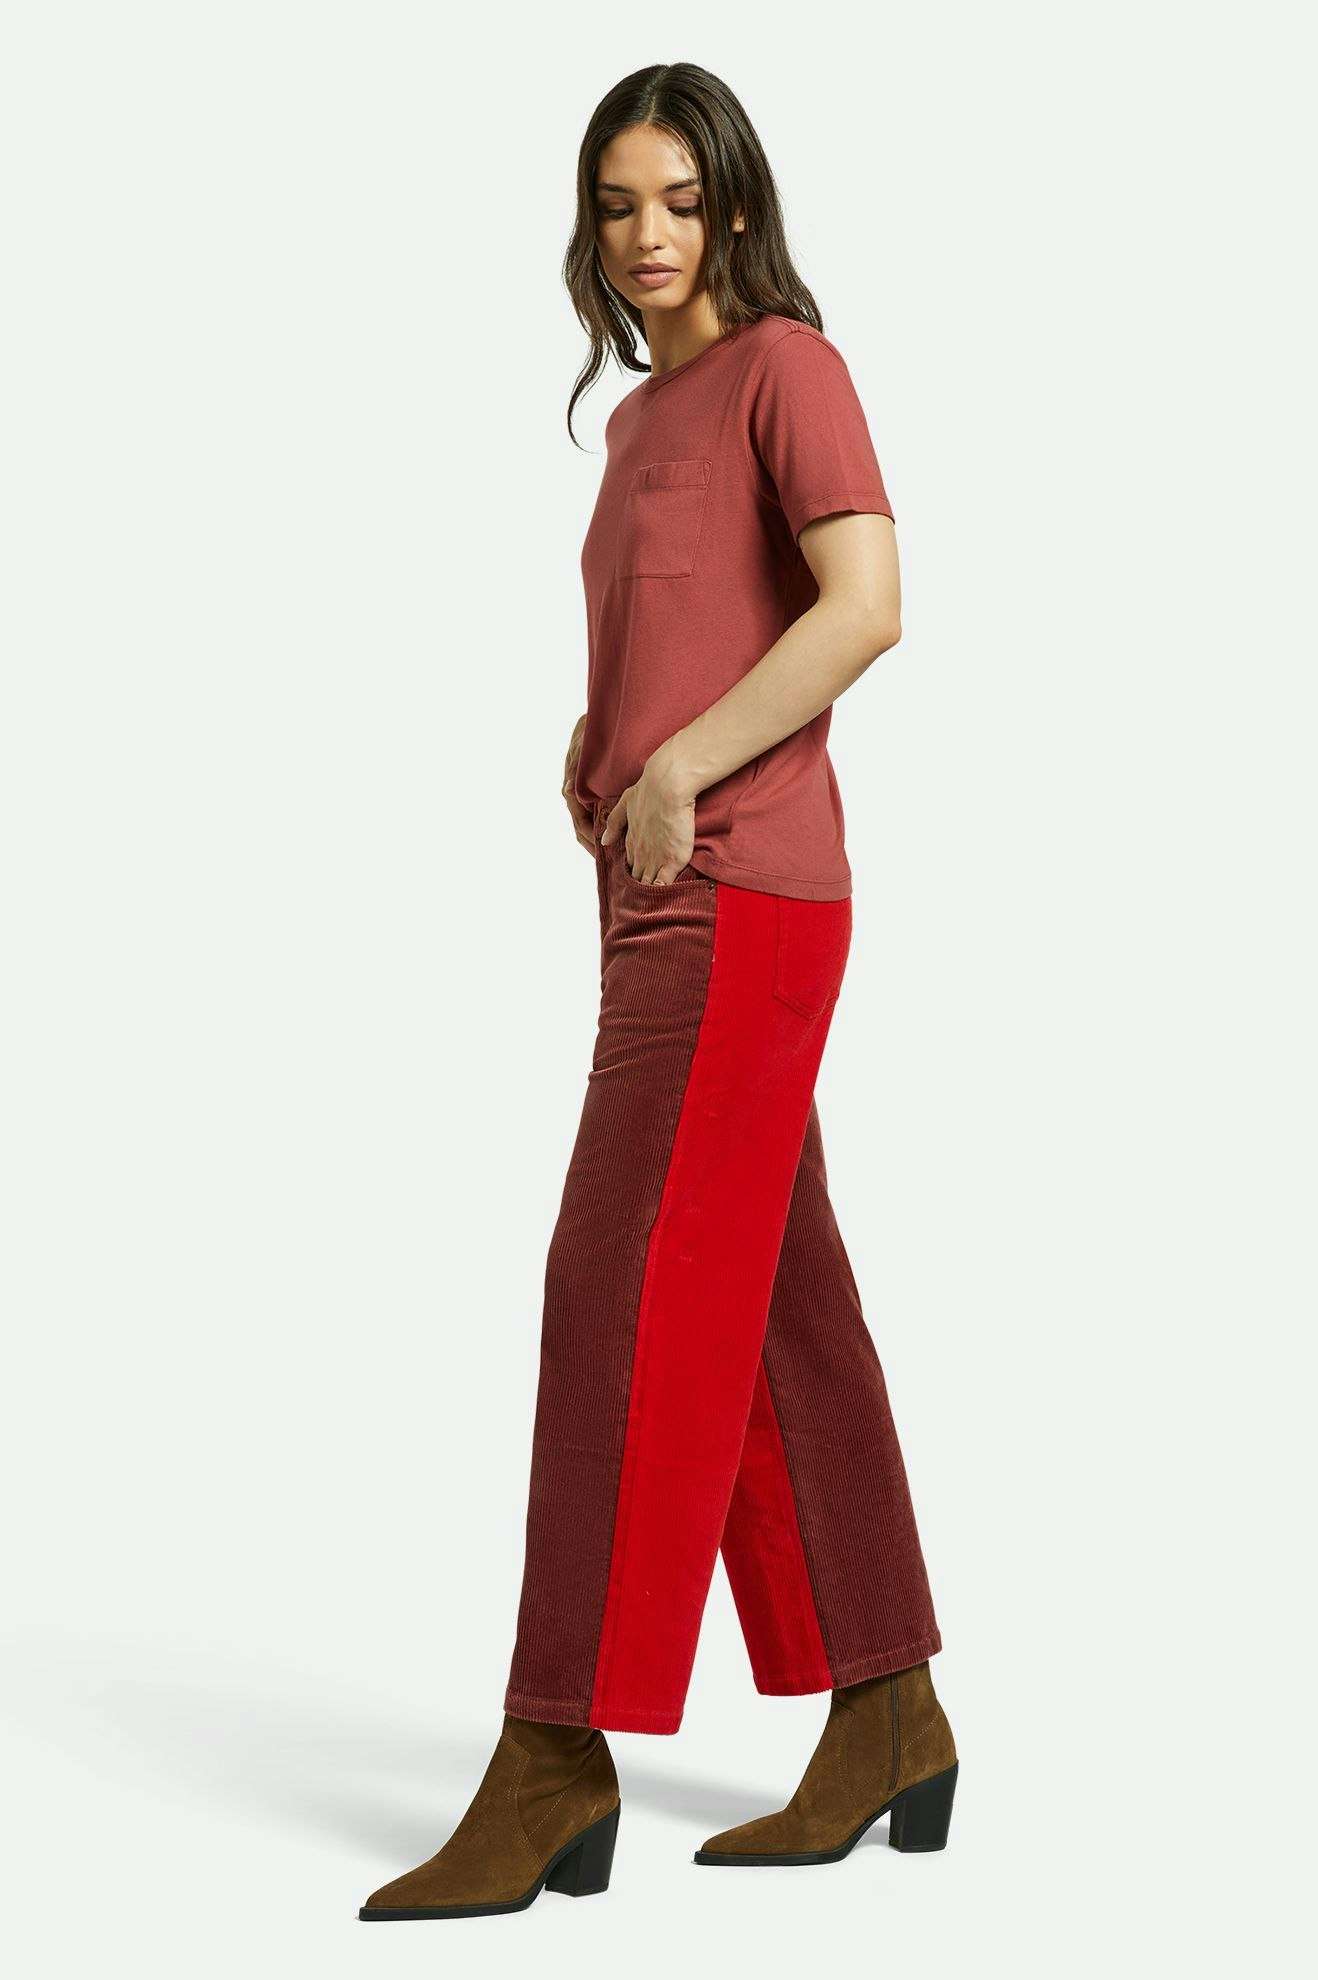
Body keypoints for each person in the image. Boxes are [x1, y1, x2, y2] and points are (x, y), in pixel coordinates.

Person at [359, 61, 957, 1923]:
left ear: (735, 208)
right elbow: (696, 621)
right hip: (651, 900)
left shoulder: (788, 368)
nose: (645, 235)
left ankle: (555, 1751)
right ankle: (889, 1710)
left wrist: (683, 760)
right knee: (776, 1307)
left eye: (679, 201)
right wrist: (605, 736)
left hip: (742, 898)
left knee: (612, 1289)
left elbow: (864, 604)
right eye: (617, 204)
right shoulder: (637, 417)